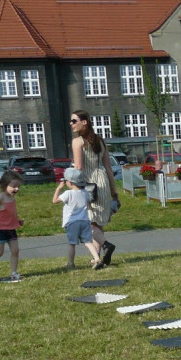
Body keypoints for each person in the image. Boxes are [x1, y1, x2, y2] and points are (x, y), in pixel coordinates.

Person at [70, 109, 119, 267]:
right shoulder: (100, 140)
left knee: (88, 223)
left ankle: (106, 245)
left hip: (88, 183)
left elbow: (78, 167)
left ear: (84, 122)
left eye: (74, 121)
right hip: (102, 181)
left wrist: (71, 185)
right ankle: (97, 258)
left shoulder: (78, 141)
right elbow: (109, 167)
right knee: (97, 223)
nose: (71, 124)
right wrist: (114, 191)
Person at [55, 167, 104, 271]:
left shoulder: (68, 193)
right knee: (88, 242)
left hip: (72, 222)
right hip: (85, 221)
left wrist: (59, 188)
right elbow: (89, 200)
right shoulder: (85, 193)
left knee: (72, 243)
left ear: (70, 182)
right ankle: (97, 259)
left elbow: (55, 201)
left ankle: (71, 263)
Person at [0, 171, 24, 282]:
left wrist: (17, 221)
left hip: (11, 229)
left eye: (18, 186)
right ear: (4, 185)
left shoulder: (12, 198)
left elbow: (10, 213)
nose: (16, 189)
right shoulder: (0, 197)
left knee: (15, 250)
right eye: (13, 186)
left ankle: (13, 273)